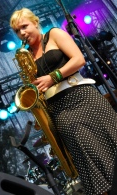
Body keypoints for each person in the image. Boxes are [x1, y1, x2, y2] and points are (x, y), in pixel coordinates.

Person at [10, 8, 117, 195]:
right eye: (17, 31)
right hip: (59, 111)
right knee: (90, 158)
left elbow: (79, 59)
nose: (22, 33)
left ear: (35, 22)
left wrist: (53, 76)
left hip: (83, 97)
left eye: (24, 27)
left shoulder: (54, 34)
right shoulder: (25, 56)